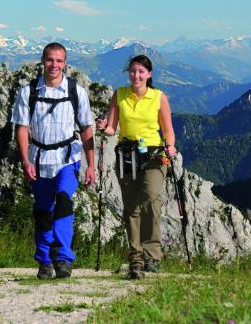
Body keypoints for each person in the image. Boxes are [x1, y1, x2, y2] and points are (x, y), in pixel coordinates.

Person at [11, 42, 95, 279]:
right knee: (43, 211)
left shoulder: (75, 91)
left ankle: (63, 258)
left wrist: (91, 165)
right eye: (50, 60)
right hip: (39, 160)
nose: (54, 65)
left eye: (59, 61)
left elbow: (87, 128)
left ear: (65, 63)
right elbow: (22, 128)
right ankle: (45, 261)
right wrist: (25, 160)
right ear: (42, 61)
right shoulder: (29, 92)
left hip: (68, 158)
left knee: (64, 202)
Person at [96, 54, 176, 279]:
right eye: (133, 71)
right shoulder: (119, 95)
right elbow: (113, 128)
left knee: (150, 196)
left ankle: (152, 255)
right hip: (127, 154)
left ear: (149, 74)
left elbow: (167, 128)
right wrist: (104, 127)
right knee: (131, 207)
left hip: (153, 155)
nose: (136, 75)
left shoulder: (158, 97)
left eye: (141, 71)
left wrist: (170, 146)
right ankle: (136, 260)